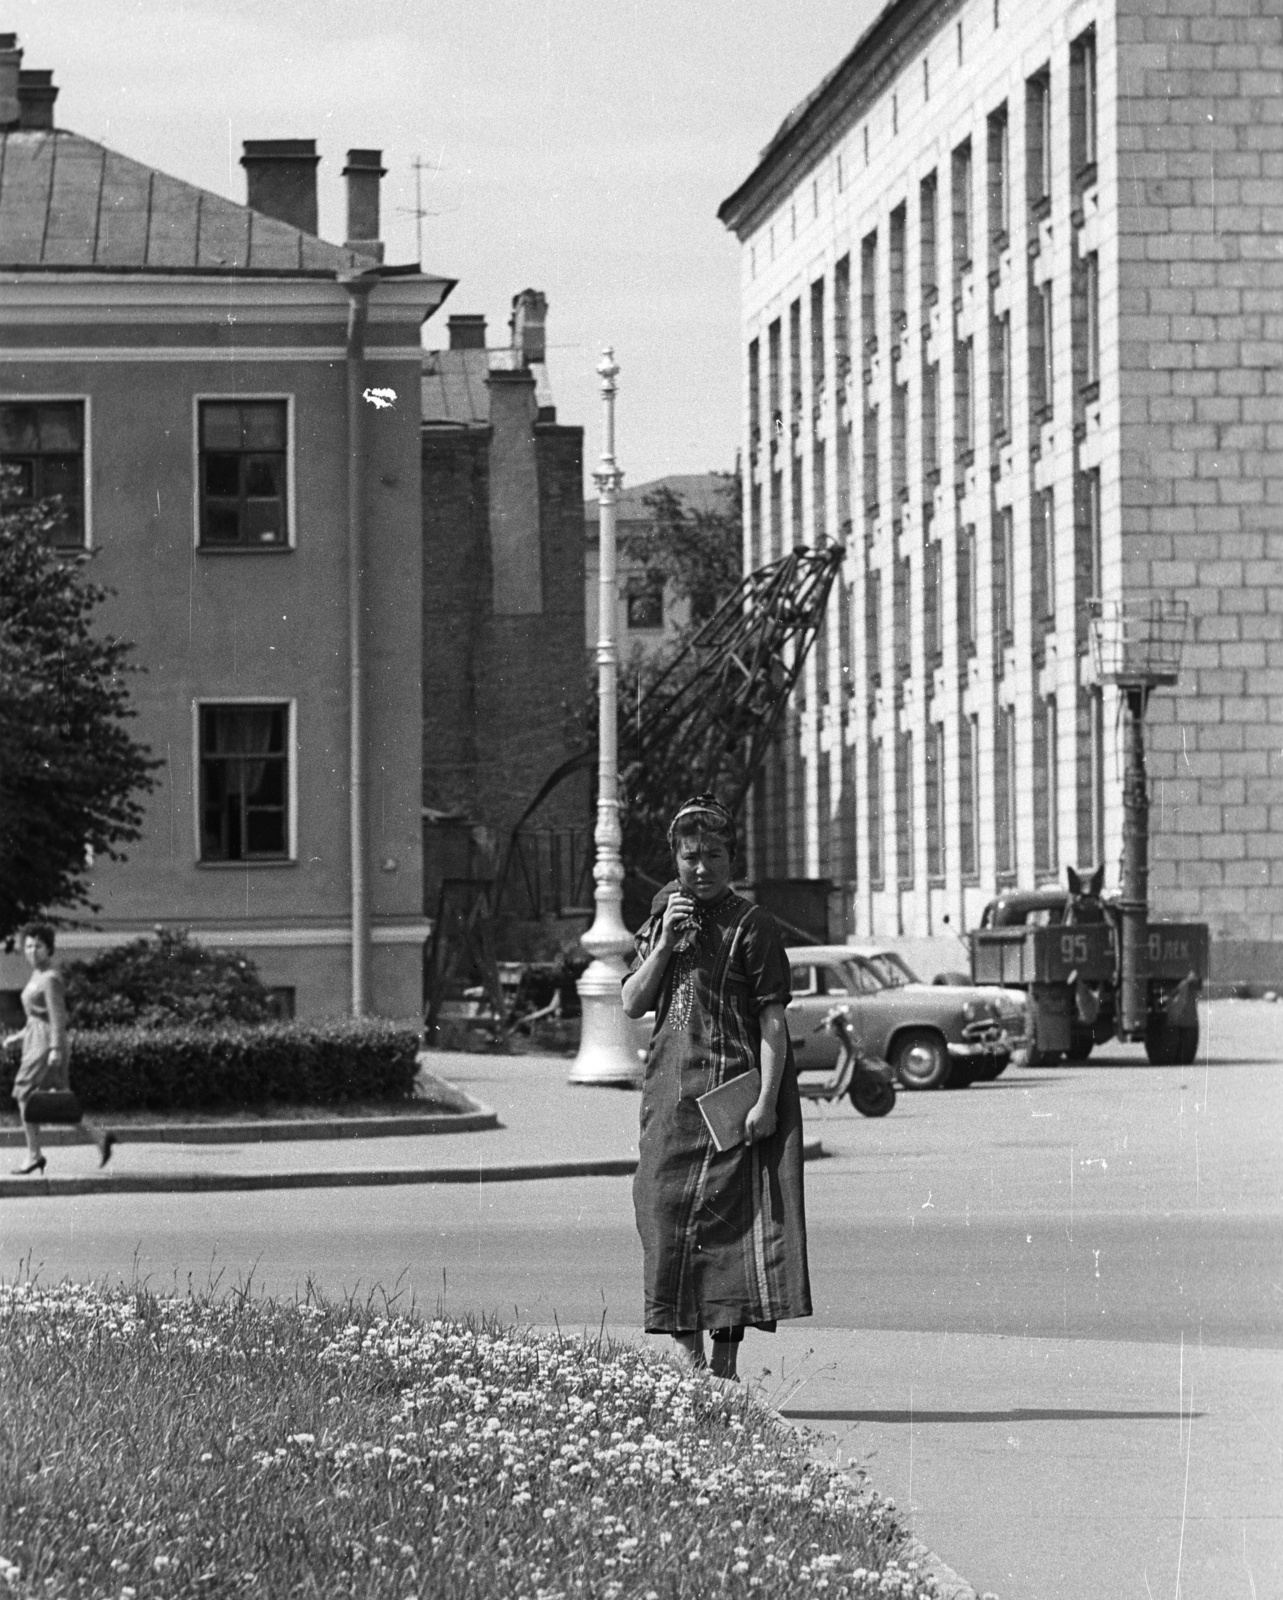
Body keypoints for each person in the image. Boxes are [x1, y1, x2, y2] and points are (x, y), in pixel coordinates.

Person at [622, 794, 811, 1380]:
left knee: (732, 1229)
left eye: (712, 855)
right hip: (670, 1098)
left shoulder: (753, 925)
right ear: (674, 860)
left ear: (732, 857)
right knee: (662, 1213)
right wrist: (664, 946)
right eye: (688, 857)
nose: (700, 868)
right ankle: (686, 1355)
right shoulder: (662, 915)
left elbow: (773, 1021)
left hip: (730, 1099)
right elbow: (633, 1003)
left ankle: (723, 1366)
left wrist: (765, 1102)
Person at [4, 923, 114, 1174]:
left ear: (49, 949)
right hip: (35, 1039)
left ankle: (34, 1155)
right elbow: (36, 1017)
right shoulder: (36, 976)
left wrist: (55, 1049)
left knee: (23, 1094)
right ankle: (99, 1137)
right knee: (58, 1098)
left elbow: (57, 1018)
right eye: (29, 946)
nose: (32, 951)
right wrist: (19, 1037)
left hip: (45, 1044)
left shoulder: (51, 978)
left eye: (38, 946)